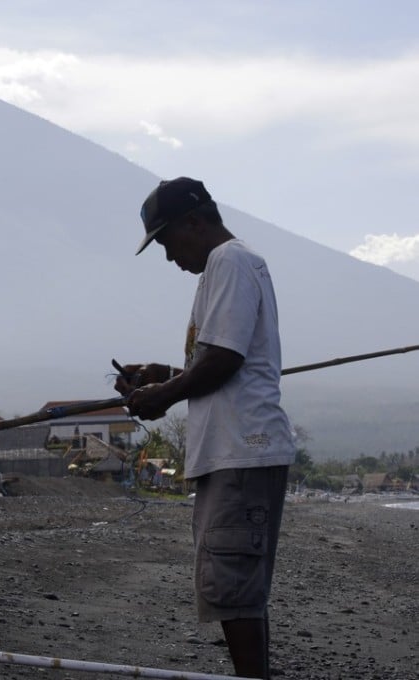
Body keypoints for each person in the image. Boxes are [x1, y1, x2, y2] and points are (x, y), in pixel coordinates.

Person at [113, 177, 294, 679]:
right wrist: (163, 375)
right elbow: (218, 361)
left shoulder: (229, 262)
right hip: (233, 452)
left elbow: (226, 360)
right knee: (236, 588)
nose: (170, 257)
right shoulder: (223, 268)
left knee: (232, 585)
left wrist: (162, 398)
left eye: (168, 242)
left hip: (243, 449)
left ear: (195, 222)